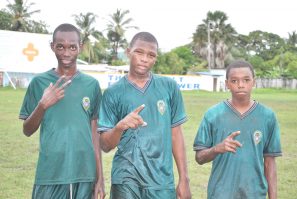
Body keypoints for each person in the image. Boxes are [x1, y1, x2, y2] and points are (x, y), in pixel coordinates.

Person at [98, 32, 191, 199]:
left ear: (155, 58)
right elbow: (104, 145)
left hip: (162, 180)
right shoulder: (113, 93)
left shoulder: (169, 87)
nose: (144, 59)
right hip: (126, 179)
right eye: (139, 52)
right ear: (128, 52)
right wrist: (120, 126)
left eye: (151, 55)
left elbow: (176, 135)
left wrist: (184, 179)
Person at [19, 23, 105, 199]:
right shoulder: (39, 83)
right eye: (61, 47)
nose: (66, 53)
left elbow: (95, 134)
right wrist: (42, 105)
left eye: (72, 47)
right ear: (52, 47)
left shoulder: (91, 85)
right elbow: (27, 130)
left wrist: (100, 179)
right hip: (50, 173)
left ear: (80, 47)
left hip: (84, 174)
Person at [193, 60, 282, 199]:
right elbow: (199, 158)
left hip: (255, 194)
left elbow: (270, 162)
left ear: (254, 82)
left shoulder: (268, 116)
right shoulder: (213, 114)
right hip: (220, 194)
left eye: (246, 80)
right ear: (227, 83)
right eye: (234, 81)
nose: (240, 85)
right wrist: (216, 148)